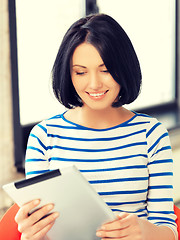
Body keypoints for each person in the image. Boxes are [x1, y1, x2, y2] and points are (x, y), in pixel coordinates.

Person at [15, 13, 178, 240]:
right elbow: (44, 230)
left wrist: (145, 231)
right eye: (80, 72)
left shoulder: (151, 134)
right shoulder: (44, 137)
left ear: (124, 68)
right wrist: (32, 235)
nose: (94, 84)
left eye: (106, 70)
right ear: (68, 74)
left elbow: (168, 230)